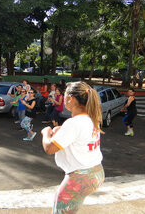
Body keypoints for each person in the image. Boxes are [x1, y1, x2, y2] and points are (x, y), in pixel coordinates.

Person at [41, 81, 105, 214]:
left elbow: (49, 148)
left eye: (64, 95)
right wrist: (61, 130)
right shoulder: (91, 119)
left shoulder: (74, 123)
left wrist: (46, 132)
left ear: (70, 98)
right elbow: (79, 139)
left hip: (80, 178)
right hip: (97, 172)